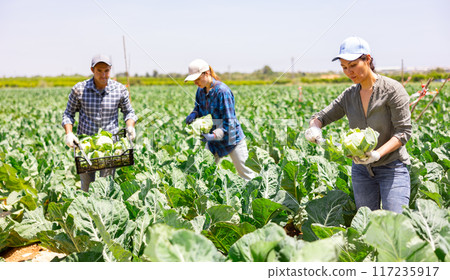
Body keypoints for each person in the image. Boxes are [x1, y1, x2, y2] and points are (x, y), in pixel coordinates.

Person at [305, 37, 412, 213]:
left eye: (353, 65)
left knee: (396, 222)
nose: (349, 72)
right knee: (366, 225)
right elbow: (321, 117)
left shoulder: (392, 90)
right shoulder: (349, 96)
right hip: (361, 171)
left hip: (392, 168)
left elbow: (403, 132)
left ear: (367, 59)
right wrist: (314, 128)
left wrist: (377, 154)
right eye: (344, 67)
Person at [62, 54, 138, 191]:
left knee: (106, 187)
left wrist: (130, 126)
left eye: (106, 71)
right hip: (85, 147)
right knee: (86, 187)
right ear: (92, 70)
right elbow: (68, 114)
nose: (103, 75)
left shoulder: (119, 89)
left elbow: (129, 112)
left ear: (110, 70)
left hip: (110, 146)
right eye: (99, 71)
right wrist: (69, 133)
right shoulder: (79, 89)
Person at [184, 59, 255, 181]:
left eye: (197, 79)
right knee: (204, 174)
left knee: (246, 175)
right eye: (193, 80)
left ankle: (259, 198)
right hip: (213, 142)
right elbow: (199, 107)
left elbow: (229, 123)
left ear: (206, 73)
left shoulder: (222, 91)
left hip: (232, 139)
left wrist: (212, 136)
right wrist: (194, 113)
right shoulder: (200, 91)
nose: (195, 83)